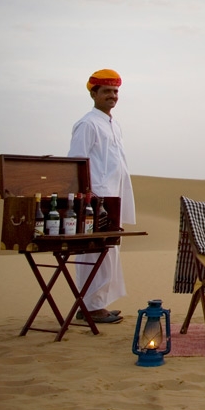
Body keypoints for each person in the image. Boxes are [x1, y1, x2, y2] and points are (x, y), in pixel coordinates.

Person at [68, 69, 136, 324]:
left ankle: (99, 304)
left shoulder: (112, 124)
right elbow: (76, 162)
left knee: (108, 252)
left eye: (115, 91)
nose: (112, 96)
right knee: (92, 253)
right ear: (93, 93)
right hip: (95, 200)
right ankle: (89, 307)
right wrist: (87, 197)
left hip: (114, 197)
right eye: (106, 91)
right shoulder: (87, 124)